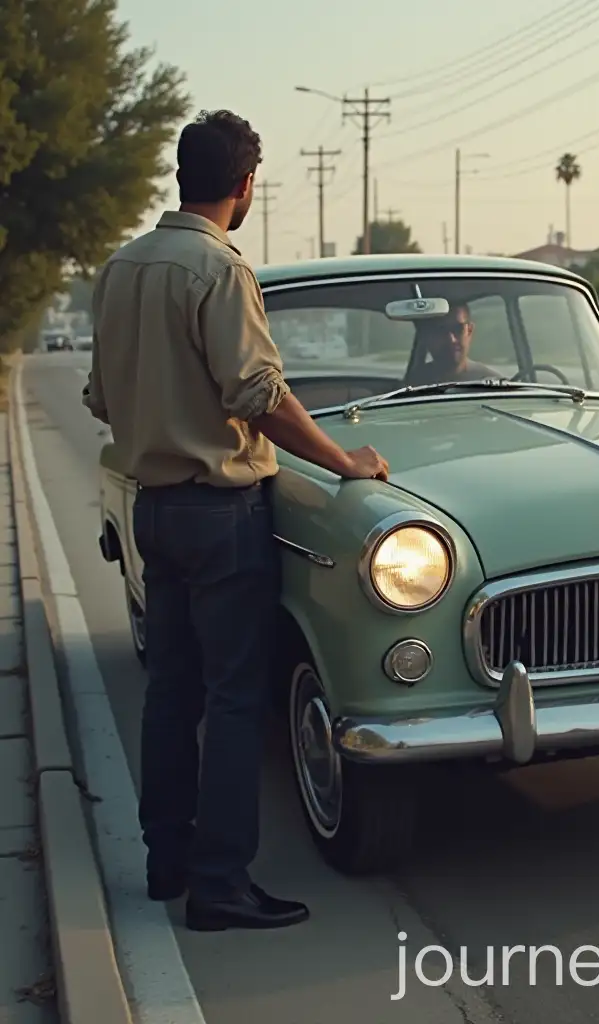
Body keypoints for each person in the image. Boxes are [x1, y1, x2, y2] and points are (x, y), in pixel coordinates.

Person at [82, 109, 388, 932]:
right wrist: (343, 461)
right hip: (222, 513)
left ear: (184, 173)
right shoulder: (217, 270)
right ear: (245, 185)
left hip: (157, 508)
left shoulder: (121, 269)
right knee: (235, 699)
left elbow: (101, 399)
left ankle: (166, 860)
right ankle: (220, 883)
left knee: (172, 692)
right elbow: (257, 393)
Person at [406, 302, 496, 384]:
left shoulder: (492, 387)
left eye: (458, 329)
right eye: (441, 330)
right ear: (427, 336)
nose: (451, 339)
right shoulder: (411, 386)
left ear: (469, 331)